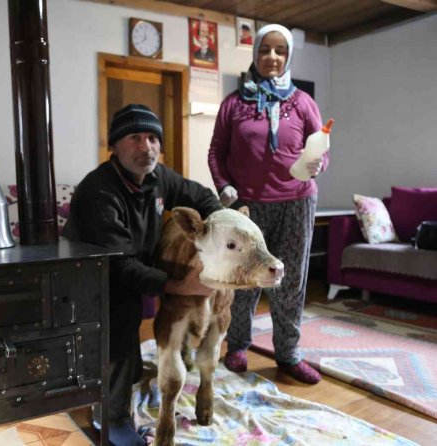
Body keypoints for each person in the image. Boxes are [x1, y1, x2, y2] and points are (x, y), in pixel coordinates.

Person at [63, 104, 223, 445]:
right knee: (119, 328)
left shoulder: (159, 178)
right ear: (115, 146)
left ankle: (123, 387)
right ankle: (111, 417)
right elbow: (119, 265)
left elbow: (203, 197)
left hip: (129, 272)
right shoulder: (99, 191)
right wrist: (179, 284)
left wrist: (224, 227)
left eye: (152, 138)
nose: (146, 147)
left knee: (130, 326)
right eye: (135, 138)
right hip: (89, 279)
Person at [208, 24, 328, 385]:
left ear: (288, 56)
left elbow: (321, 151)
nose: (272, 57)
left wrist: (318, 162)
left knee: (291, 281)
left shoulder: (304, 103)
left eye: (279, 50)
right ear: (255, 54)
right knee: (245, 280)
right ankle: (237, 346)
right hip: (248, 206)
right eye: (265, 50)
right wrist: (224, 186)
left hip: (297, 202)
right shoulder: (233, 103)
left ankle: (288, 354)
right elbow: (216, 152)